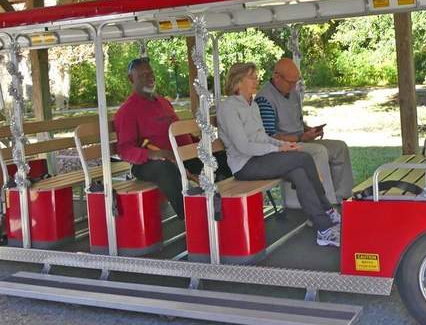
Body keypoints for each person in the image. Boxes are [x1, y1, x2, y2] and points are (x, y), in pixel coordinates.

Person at [216, 62, 341, 247]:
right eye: (251, 77)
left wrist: (285, 145)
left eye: (256, 76)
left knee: (299, 171)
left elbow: (264, 138)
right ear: (238, 82)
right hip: (245, 165)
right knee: (304, 158)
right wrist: (278, 150)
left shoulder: (252, 104)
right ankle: (327, 211)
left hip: (263, 159)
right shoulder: (228, 108)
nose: (256, 80)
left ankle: (323, 229)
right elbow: (243, 147)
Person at [114, 56, 231, 220]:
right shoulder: (127, 111)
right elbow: (124, 150)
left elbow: (179, 133)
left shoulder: (163, 102)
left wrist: (199, 144)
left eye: (150, 73)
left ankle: (228, 206)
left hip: (180, 156)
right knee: (166, 170)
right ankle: (193, 218)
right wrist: (155, 154)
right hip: (150, 163)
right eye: (142, 75)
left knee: (219, 156)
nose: (149, 77)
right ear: (130, 79)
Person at [255, 58, 354, 205]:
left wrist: (310, 131)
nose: (294, 86)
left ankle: (343, 198)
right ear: (277, 77)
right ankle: (326, 204)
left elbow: (297, 122)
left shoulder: (292, 91)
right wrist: (301, 137)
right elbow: (270, 136)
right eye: (290, 82)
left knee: (339, 147)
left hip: (300, 140)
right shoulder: (265, 99)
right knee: (319, 151)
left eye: (296, 82)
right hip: (282, 147)